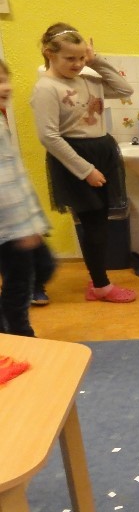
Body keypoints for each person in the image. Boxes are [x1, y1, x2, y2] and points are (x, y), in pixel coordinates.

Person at [29, 23, 136, 303]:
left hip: (102, 151)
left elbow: (125, 89)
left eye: (80, 57)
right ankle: (100, 286)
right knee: (93, 224)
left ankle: (98, 281)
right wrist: (85, 170)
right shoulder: (47, 88)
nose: (77, 64)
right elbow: (49, 137)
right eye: (70, 58)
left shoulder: (88, 78)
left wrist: (95, 61)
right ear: (49, 53)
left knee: (101, 221)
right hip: (75, 158)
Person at [0, 58, 50, 337]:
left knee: (43, 266)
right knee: (21, 281)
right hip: (9, 228)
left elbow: (16, 177)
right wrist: (21, 227)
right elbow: (3, 185)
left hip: (19, 222)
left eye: (5, 79)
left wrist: (34, 220)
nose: (6, 87)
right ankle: (20, 334)